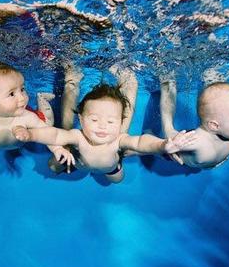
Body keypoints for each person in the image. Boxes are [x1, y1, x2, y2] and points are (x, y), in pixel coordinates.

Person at [12, 66, 197, 183]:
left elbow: (141, 142)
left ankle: (128, 81)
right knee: (53, 166)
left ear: (118, 123)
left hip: (112, 165)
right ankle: (74, 80)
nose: (102, 126)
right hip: (78, 161)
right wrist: (30, 135)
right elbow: (54, 135)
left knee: (117, 179)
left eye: (110, 122)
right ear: (82, 120)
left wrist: (163, 145)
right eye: (94, 120)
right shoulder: (77, 136)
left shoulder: (118, 139)